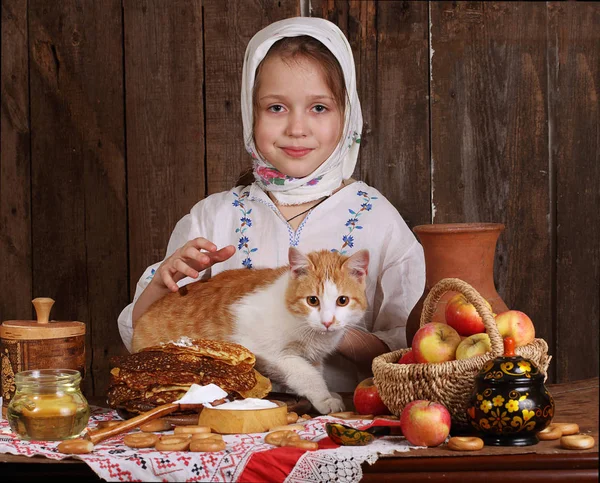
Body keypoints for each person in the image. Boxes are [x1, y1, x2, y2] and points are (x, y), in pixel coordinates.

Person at [118, 17, 425, 392]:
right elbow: (145, 333)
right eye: (276, 108)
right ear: (251, 113)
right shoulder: (213, 217)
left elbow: (407, 348)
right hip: (224, 420)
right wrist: (162, 285)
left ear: (348, 116)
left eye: (319, 108)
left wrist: (322, 320)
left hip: (342, 419)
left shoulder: (377, 218)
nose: (297, 128)